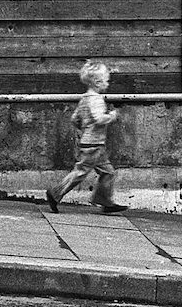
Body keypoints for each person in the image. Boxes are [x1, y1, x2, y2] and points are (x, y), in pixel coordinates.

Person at [45, 59, 129, 214]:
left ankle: (104, 200)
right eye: (106, 81)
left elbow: (75, 119)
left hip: (90, 143)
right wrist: (112, 116)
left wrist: (84, 129)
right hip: (94, 145)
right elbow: (98, 119)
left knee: (108, 172)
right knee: (81, 172)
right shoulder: (97, 100)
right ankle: (55, 193)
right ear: (97, 82)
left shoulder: (84, 99)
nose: (108, 84)